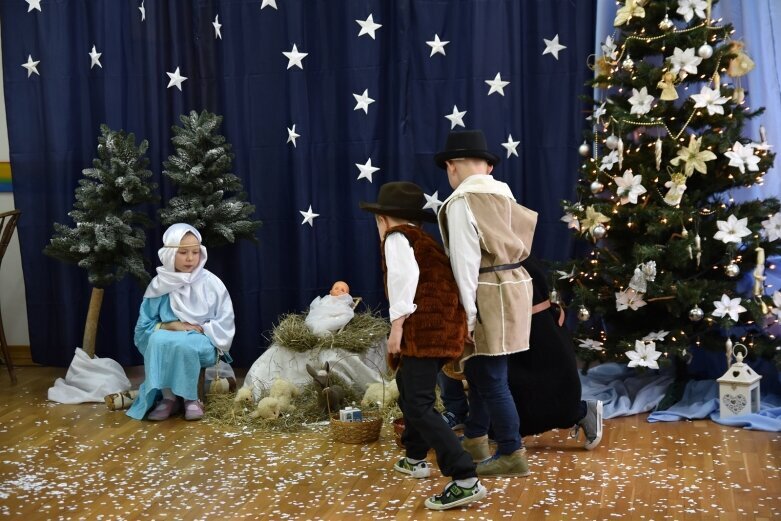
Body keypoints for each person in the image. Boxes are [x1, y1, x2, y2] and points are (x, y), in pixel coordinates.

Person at [359, 181, 487, 511]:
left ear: (382, 220)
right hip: (445, 330)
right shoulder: (425, 240)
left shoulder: (397, 238)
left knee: (418, 403)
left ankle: (464, 477)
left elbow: (403, 280)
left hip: (423, 329)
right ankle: (415, 456)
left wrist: (397, 328)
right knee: (410, 388)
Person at [435, 129, 537, 477]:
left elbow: (464, 264)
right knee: (481, 371)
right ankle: (477, 438)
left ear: (452, 167)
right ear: (488, 167)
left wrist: (466, 317)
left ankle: (511, 451)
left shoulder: (463, 203)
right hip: (515, 286)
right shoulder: (504, 195)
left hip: (486, 290)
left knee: (491, 377)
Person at [438, 255, 604, 450]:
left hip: (508, 282)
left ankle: (579, 412)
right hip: (506, 278)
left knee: (515, 375)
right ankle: (488, 431)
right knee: (497, 374)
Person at [127, 223, 235, 421]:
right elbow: (143, 328)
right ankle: (168, 398)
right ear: (169, 254)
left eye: (195, 252)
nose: (190, 258)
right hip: (166, 339)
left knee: (183, 343)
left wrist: (200, 328)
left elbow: (225, 321)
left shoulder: (211, 283)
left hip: (204, 340)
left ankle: (190, 399)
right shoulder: (159, 286)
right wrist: (171, 326)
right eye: (183, 252)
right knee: (159, 340)